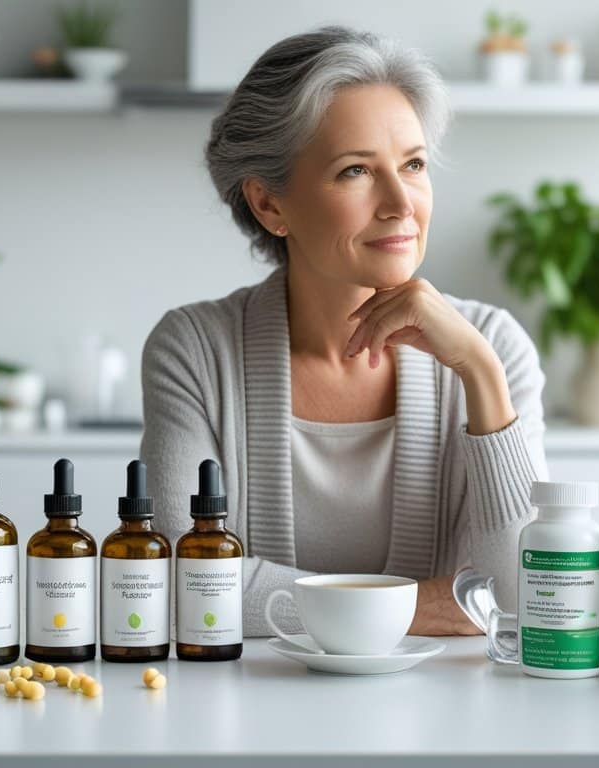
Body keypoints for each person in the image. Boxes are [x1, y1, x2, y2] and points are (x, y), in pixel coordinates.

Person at [141, 26, 546, 637]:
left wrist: (479, 374)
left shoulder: (492, 345)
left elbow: (520, 598)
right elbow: (181, 587)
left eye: (413, 164)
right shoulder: (196, 350)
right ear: (269, 204)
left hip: (449, 720)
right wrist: (436, 605)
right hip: (245, 712)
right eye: (356, 170)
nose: (401, 203)